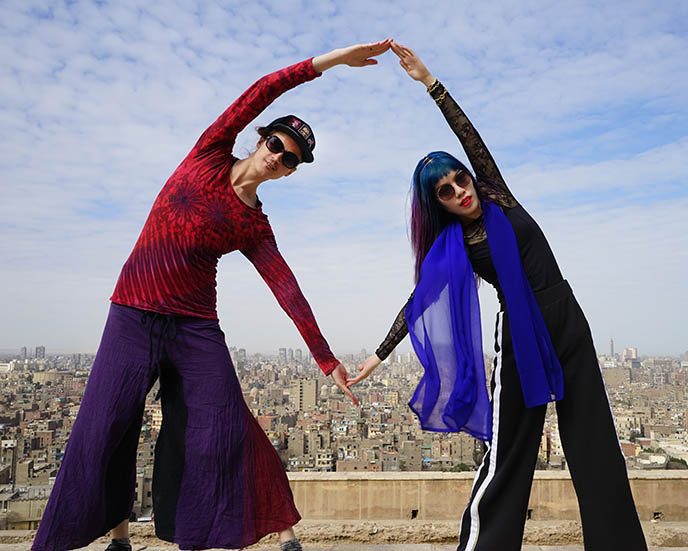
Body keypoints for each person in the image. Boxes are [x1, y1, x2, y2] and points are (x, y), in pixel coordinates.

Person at [32, 40, 392, 551]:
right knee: (105, 425)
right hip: (133, 311)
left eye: (290, 160)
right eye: (277, 146)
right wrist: (330, 62)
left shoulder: (254, 224)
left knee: (223, 418)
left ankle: (273, 531)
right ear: (261, 138)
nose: (278, 159)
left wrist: (324, 356)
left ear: (291, 172)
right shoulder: (208, 154)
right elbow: (262, 89)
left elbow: (285, 287)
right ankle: (113, 535)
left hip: (195, 326)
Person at [349, 42, 647, 551]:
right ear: (436, 203)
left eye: (459, 177)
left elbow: (471, 136)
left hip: (567, 319)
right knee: (509, 450)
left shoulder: (498, 197)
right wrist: (378, 355)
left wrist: (430, 83)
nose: (459, 190)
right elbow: (418, 301)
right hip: (522, 335)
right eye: (444, 190)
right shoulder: (456, 247)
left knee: (595, 443)